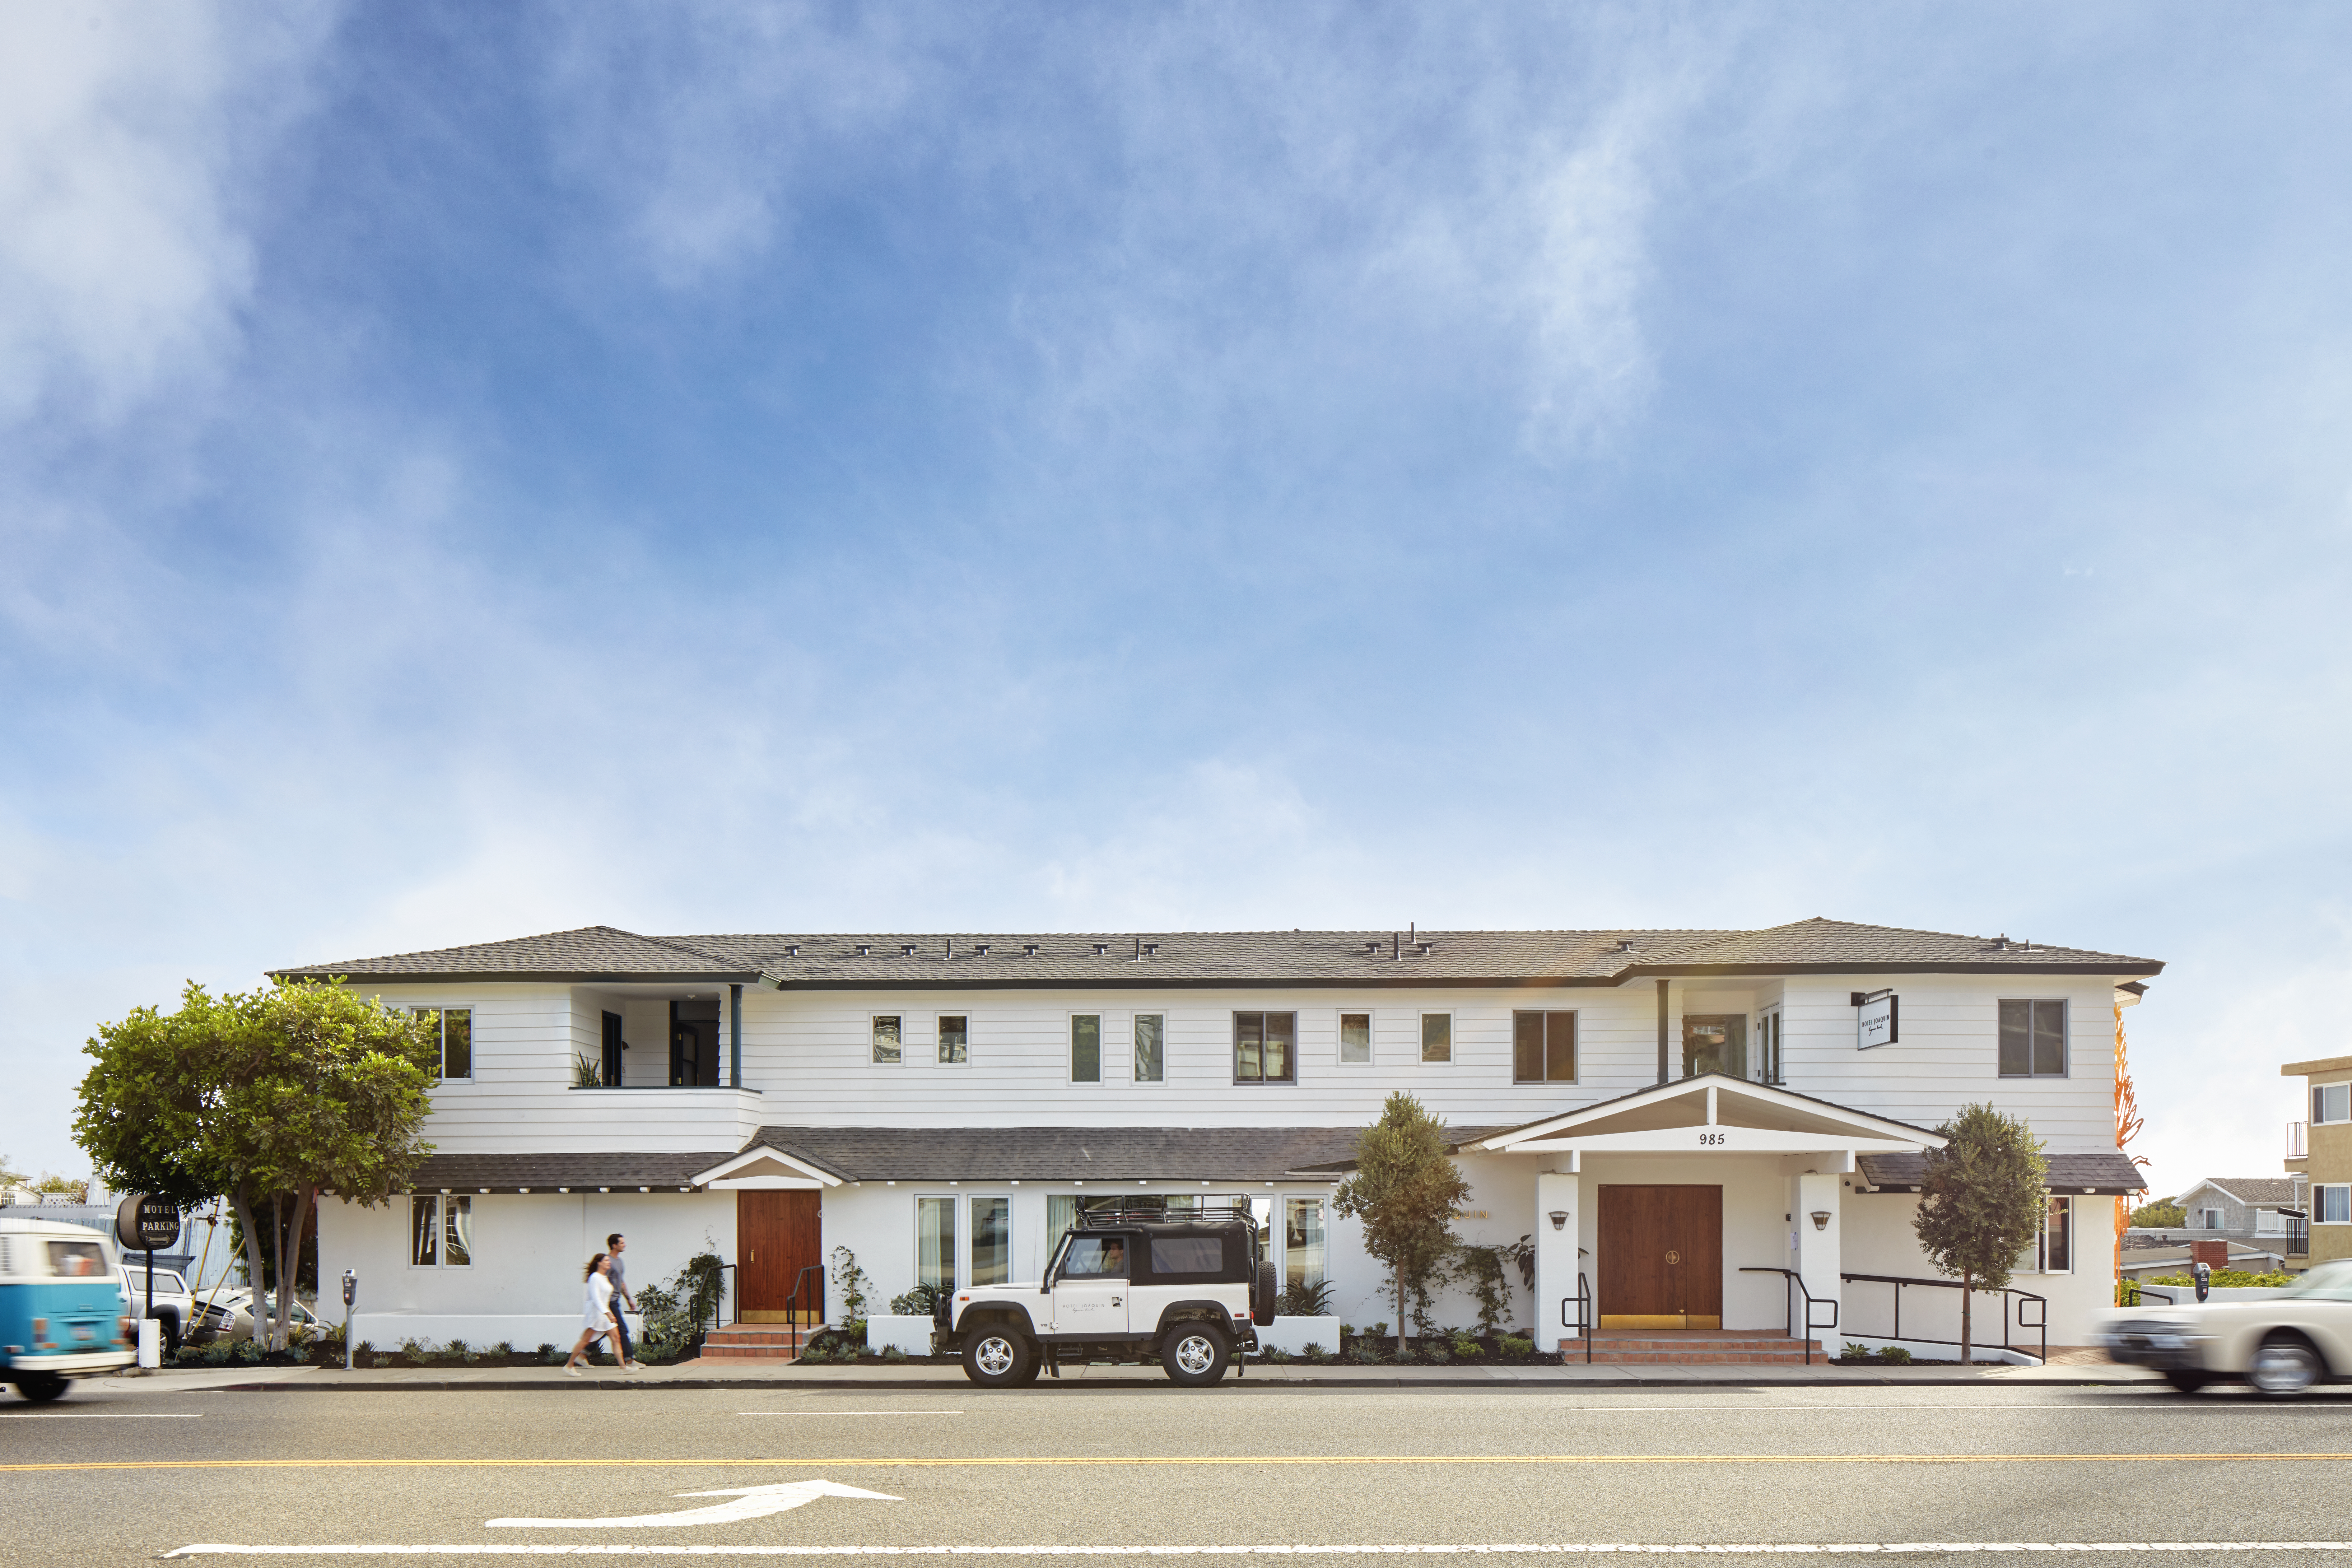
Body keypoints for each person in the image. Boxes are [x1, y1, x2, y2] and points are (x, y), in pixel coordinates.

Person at [563, 1253, 637, 1376]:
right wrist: (608, 1313)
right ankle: (569, 1365)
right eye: (607, 1261)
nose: (609, 1262)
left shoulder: (604, 1277)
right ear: (599, 1263)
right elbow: (597, 1299)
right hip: (597, 1315)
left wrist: (608, 1313)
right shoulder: (595, 1278)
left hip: (605, 1314)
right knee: (585, 1341)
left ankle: (624, 1368)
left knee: (616, 1338)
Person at [606, 1233, 645, 1371]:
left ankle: (583, 1354)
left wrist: (629, 1299)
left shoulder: (619, 1261)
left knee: (602, 1330)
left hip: (616, 1301)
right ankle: (630, 1360)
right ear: (614, 1245)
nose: (625, 1245)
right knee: (622, 1330)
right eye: (622, 1243)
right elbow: (601, 1281)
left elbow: (621, 1282)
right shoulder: (608, 1261)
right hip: (609, 1302)